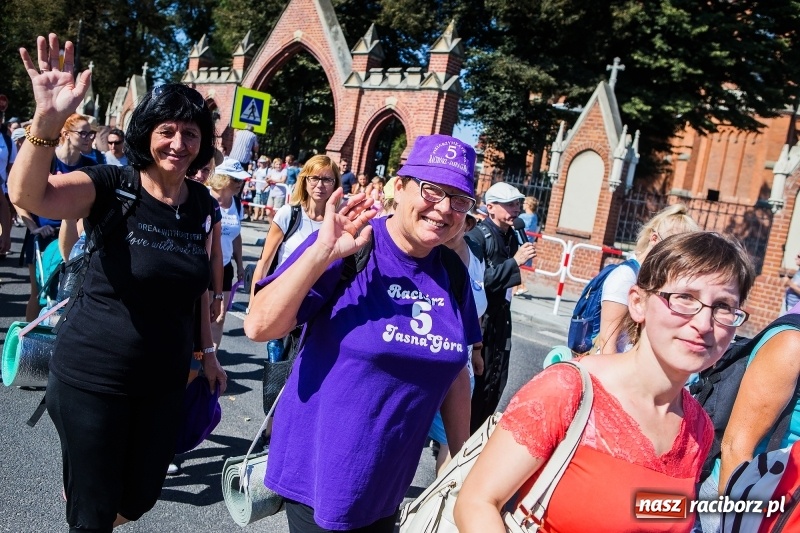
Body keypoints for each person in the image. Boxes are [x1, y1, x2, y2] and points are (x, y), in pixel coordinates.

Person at [8, 34, 226, 531]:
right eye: (167, 130)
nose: (178, 143)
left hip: (164, 381)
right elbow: (29, 195)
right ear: (146, 134)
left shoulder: (201, 204)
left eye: (190, 133)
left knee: (142, 496)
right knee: (94, 515)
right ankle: (89, 499)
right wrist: (45, 121)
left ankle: (89, 493)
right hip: (94, 376)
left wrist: (208, 353)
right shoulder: (112, 186)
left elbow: (196, 290)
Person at [244, 134, 482, 533]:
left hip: (388, 485)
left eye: (459, 199)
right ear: (400, 187)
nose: (444, 208)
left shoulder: (453, 273)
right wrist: (322, 253)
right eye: (432, 190)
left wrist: (462, 465)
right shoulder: (353, 245)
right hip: (319, 477)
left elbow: (456, 369)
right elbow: (258, 326)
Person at [454, 231, 756, 533]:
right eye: (685, 298)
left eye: (723, 306)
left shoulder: (698, 428)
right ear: (637, 303)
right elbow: (478, 502)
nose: (703, 324)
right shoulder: (568, 389)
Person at [465, 181, 537, 432]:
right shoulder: (477, 237)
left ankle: (478, 436)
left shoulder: (512, 235)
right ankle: (457, 439)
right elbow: (478, 282)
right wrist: (514, 263)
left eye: (517, 204)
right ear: (491, 207)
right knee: (477, 382)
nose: (515, 209)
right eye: (509, 204)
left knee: (496, 380)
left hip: (501, 319)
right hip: (481, 323)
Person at [429, 210, 487, 474]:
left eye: (460, 217)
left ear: (468, 224)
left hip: (461, 363)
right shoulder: (428, 256)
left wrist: (477, 350)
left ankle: (437, 497)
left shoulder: (475, 258)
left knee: (452, 443)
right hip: (428, 358)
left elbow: (476, 309)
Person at [597, 204, 699, 354]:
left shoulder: (657, 278)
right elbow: (607, 342)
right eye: (671, 248)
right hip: (616, 363)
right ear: (654, 238)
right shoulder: (626, 276)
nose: (676, 258)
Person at [207, 157, 248, 350]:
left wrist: (239, 265)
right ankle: (196, 354)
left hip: (224, 266)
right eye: (236, 179)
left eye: (241, 180)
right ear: (223, 178)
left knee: (220, 316)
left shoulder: (237, 204)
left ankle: (212, 358)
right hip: (203, 265)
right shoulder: (205, 197)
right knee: (202, 314)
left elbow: (236, 236)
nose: (240, 183)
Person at [513, 196, 540, 296]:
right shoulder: (535, 217)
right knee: (520, 267)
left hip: (521, 243)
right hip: (528, 243)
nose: (522, 205)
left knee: (516, 266)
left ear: (529, 205)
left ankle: (521, 286)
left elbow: (521, 230)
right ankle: (516, 289)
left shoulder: (524, 216)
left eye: (524, 203)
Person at [266, 156, 288, 221]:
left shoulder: (284, 171)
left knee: (276, 213)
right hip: (272, 193)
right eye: (277, 164)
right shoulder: (271, 170)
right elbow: (267, 179)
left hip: (280, 194)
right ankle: (271, 226)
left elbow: (283, 180)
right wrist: (268, 180)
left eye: (280, 164)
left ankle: (275, 226)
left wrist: (272, 180)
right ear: (274, 164)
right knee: (268, 212)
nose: (278, 166)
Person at [252, 155, 270, 221]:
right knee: (256, 202)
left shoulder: (268, 170)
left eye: (263, 162)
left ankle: (262, 215)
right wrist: (253, 183)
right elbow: (254, 176)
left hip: (265, 189)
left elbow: (268, 178)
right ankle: (256, 215)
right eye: (261, 162)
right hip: (258, 188)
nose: (262, 163)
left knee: (263, 202)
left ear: (266, 163)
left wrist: (264, 187)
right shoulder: (257, 169)